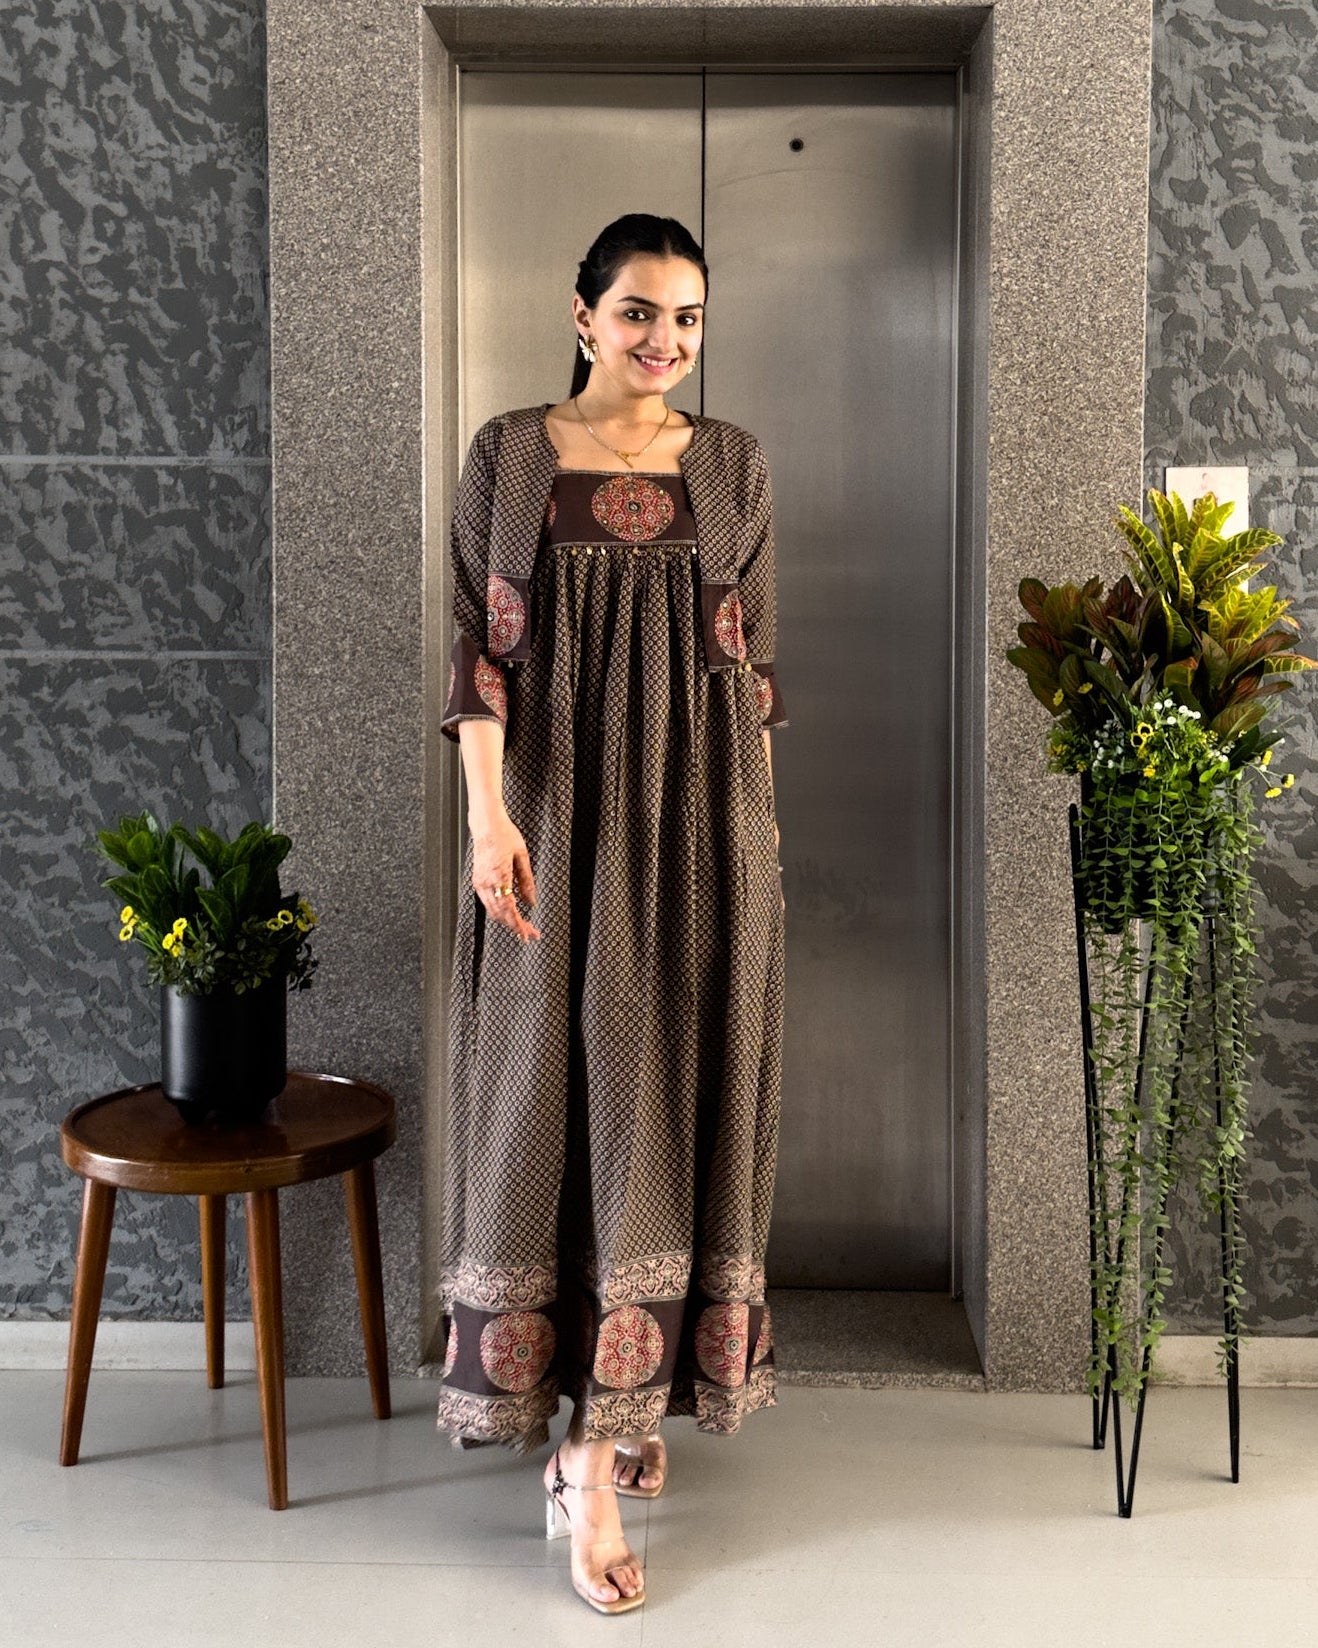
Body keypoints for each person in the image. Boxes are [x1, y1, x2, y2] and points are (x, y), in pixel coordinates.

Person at [435, 212, 787, 1616]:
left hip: (699, 832)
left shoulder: (734, 464)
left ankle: (608, 1428)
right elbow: (477, 652)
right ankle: (583, 1451)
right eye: (638, 312)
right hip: (550, 822)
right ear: (582, 316)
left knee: (666, 1097)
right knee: (549, 1093)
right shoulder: (511, 455)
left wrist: (756, 843)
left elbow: (750, 667)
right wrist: (487, 821)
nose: (665, 340)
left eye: (687, 317)